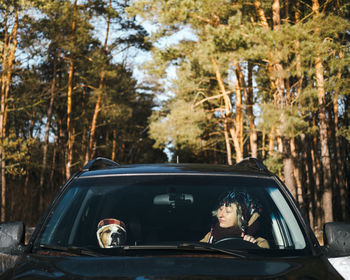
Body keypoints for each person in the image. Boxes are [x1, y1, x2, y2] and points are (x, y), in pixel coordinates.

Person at [200, 191, 269, 249]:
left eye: (228, 211)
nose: (220, 215)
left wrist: (252, 248)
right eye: (220, 209)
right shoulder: (210, 236)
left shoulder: (259, 242)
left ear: (241, 217)